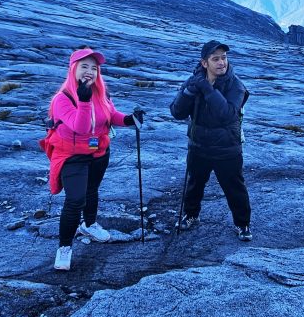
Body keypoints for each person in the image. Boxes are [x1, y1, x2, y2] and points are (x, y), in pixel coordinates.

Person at [42, 47, 144, 270]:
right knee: (75, 199)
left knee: (91, 191)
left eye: (94, 68)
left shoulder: (101, 93)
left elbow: (110, 116)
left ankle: (89, 225)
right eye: (84, 66)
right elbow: (80, 126)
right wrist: (84, 101)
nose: (90, 71)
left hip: (98, 152)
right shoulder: (63, 98)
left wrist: (129, 120)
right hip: (72, 156)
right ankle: (65, 247)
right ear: (73, 69)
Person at [169, 40, 253, 240]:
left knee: (234, 187)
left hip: (227, 148)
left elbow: (228, 114)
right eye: (216, 59)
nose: (222, 62)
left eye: (224, 58)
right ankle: (191, 215)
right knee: (195, 183)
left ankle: (243, 224)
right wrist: (189, 92)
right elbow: (177, 112)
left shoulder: (236, 85)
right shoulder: (194, 81)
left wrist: (207, 89)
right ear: (204, 63)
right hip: (198, 145)